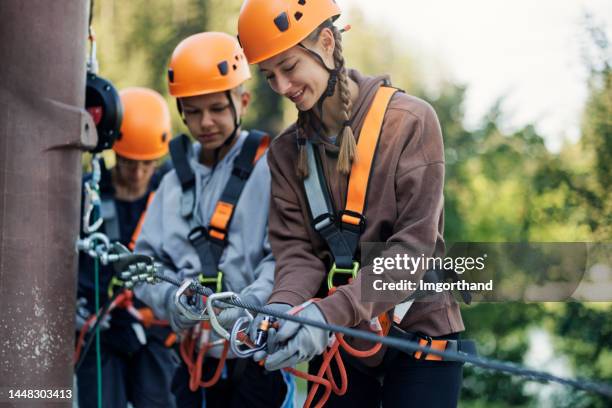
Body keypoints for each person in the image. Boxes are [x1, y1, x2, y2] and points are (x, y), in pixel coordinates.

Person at [238, 0, 467, 406]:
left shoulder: (409, 122)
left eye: (289, 67)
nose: (281, 86)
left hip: (419, 336)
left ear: (326, 43)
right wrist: (281, 311)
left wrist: (326, 314)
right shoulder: (286, 152)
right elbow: (297, 255)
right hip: (339, 337)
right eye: (269, 76)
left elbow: (412, 251)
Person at [133, 32, 290, 408]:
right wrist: (172, 299)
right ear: (182, 111)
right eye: (194, 110)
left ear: (243, 101)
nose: (206, 122)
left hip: (255, 354)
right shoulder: (172, 183)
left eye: (218, 108)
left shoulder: (269, 170)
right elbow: (145, 263)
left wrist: (247, 306)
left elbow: (285, 256)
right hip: (193, 360)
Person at [75, 87, 177, 407]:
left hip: (153, 328)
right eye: (129, 162)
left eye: (147, 164)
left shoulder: (169, 194)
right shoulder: (88, 196)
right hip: (100, 327)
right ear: (114, 151)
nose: (137, 173)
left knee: (157, 398)